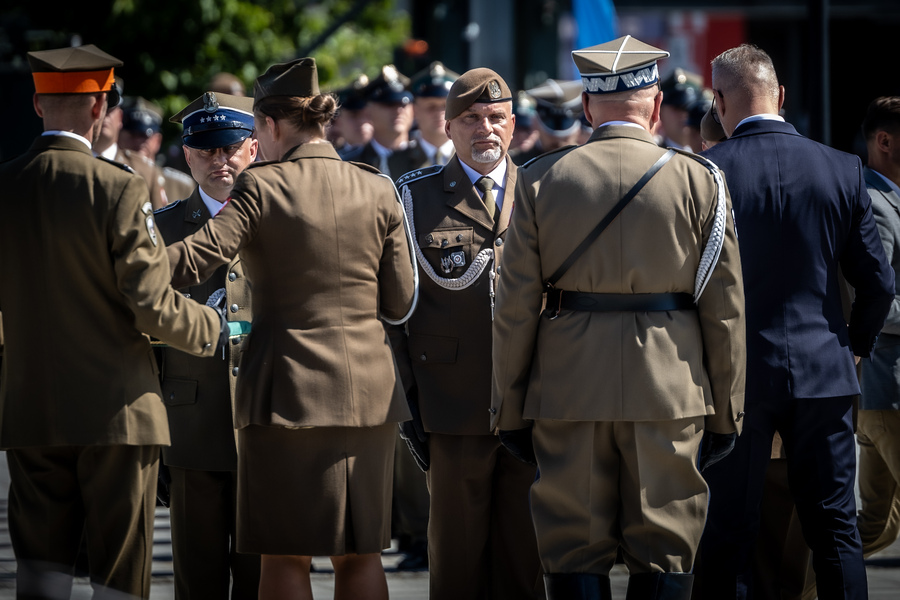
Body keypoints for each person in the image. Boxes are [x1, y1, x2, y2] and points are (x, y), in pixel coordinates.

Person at [491, 35, 746, 600]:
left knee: (573, 547)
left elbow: (514, 309)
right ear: (656, 106)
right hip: (670, 387)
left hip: (569, 388)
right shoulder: (700, 178)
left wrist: (508, 407)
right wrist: (727, 411)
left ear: (587, 106)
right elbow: (725, 310)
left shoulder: (538, 179)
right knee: (666, 548)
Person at [164, 57, 417, 600]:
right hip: (368, 397)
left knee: (284, 557)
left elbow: (196, 257)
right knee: (360, 555)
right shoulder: (377, 187)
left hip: (285, 395)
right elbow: (400, 302)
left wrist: (115, 266)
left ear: (270, 125)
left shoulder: (261, 187)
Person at [0, 43, 227, 599]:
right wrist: (212, 327)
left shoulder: (6, 184)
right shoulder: (118, 186)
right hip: (116, 411)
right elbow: (149, 302)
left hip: (30, 408)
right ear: (101, 108)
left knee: (41, 576)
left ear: (37, 104)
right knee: (119, 579)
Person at [696, 44, 894, 600]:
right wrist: (854, 347)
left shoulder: (707, 172)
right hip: (825, 371)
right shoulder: (842, 167)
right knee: (835, 528)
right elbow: (878, 282)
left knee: (730, 529)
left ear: (719, 101)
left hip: (737, 377)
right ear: (781, 95)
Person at [391, 67, 543, 599]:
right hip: (451, 405)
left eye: (497, 117)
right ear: (448, 127)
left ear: (513, 125)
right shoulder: (414, 197)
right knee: (457, 563)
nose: (486, 129)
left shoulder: (543, 189)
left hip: (530, 403)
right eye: (472, 118)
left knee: (525, 562)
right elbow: (395, 314)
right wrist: (411, 407)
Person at [153, 91, 261, 599]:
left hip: (265, 420)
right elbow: (144, 340)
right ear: (186, 155)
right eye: (206, 149)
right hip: (189, 424)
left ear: (253, 149)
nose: (220, 160)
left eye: (230, 147)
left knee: (262, 579)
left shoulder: (282, 218)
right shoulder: (162, 228)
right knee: (197, 577)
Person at [857, 95, 900, 559]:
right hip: (889, 391)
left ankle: (783, 588)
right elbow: (872, 302)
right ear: (884, 141)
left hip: (883, 397)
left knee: (877, 526)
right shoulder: (874, 203)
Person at [119, 96, 195, 208]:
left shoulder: (180, 186)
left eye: (145, 136)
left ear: (157, 140)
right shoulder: (109, 177)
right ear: (119, 136)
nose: (138, 141)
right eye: (132, 134)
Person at [342, 64, 415, 178]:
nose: (398, 110)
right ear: (368, 111)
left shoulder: (428, 159)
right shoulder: (351, 166)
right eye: (389, 104)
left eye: (403, 104)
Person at [388, 61, 457, 173]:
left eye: (446, 107)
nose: (440, 113)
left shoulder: (470, 158)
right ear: (415, 110)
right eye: (431, 107)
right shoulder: (395, 162)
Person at [510, 78, 583, 165]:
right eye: (549, 126)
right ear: (535, 124)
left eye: (565, 126)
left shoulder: (588, 162)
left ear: (578, 130)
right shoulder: (515, 165)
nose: (558, 139)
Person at [331, 73, 373, 157]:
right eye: (354, 115)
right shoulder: (333, 157)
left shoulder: (390, 154)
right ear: (338, 121)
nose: (362, 121)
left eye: (368, 115)